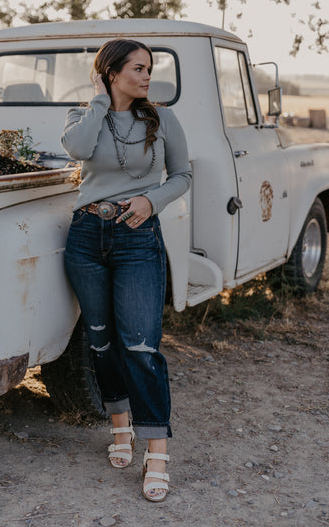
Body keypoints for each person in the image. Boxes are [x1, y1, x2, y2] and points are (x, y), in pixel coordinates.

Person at [61, 38, 191, 502]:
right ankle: (120, 426)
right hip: (86, 237)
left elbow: (183, 175)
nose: (147, 76)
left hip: (137, 237)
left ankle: (157, 453)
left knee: (140, 345)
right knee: (100, 340)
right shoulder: (82, 117)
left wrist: (150, 200)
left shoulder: (162, 118)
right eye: (138, 68)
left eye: (149, 68)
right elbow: (78, 149)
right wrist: (100, 99)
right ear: (111, 72)